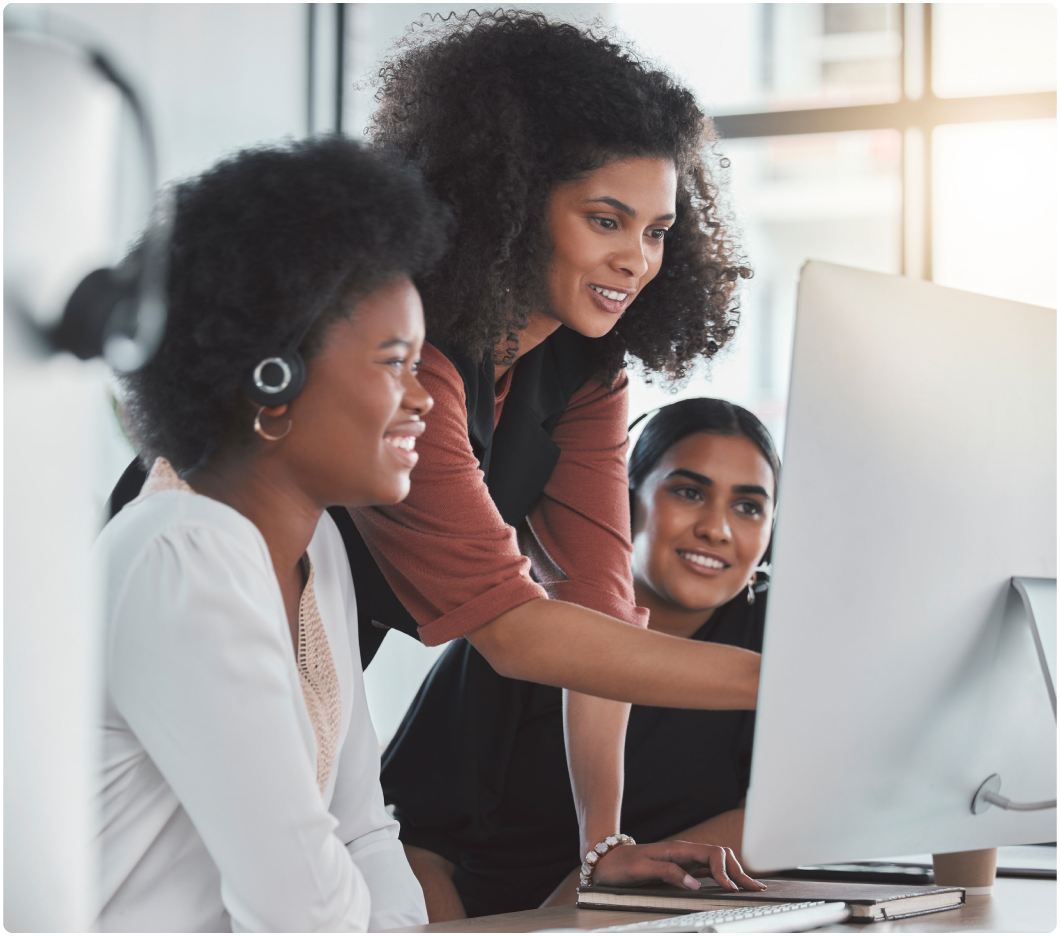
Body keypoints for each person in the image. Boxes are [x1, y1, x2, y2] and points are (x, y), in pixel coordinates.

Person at [104, 11, 764, 903]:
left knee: (325, 842)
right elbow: (516, 631)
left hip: (323, 618)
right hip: (224, 601)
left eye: (656, 230)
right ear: (512, 201)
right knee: (182, 869)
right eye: (606, 219)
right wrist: (795, 691)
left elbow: (597, 622)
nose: (637, 259)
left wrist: (601, 845)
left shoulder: (579, 368)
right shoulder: (413, 368)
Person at [93, 138, 450, 931]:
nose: (424, 398)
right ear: (271, 381)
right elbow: (300, 909)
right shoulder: (180, 555)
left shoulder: (316, 547)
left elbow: (363, 829)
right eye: (396, 363)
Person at [380, 399, 779, 919]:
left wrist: (587, 895)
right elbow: (418, 847)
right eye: (688, 491)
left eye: (748, 506)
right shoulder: (531, 629)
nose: (717, 529)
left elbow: (775, 818)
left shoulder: (771, 634)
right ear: (624, 499)